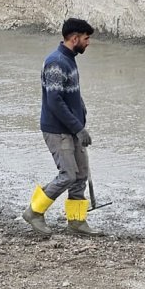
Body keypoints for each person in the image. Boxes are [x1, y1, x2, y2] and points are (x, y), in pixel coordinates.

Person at [22, 17, 103, 236]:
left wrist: (81, 118)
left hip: (72, 128)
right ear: (74, 38)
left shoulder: (69, 58)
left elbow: (72, 95)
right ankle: (34, 212)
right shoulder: (56, 62)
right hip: (58, 130)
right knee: (67, 174)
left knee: (80, 174)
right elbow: (54, 102)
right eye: (86, 39)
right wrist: (78, 128)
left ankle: (76, 221)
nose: (88, 43)